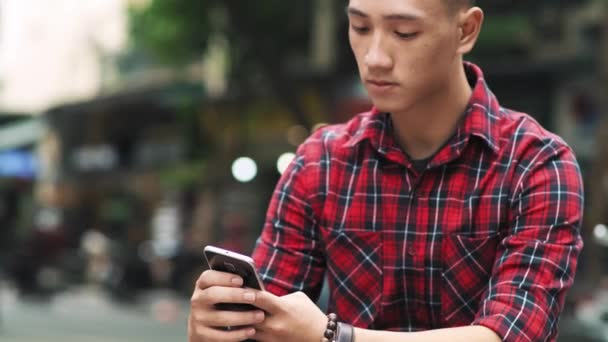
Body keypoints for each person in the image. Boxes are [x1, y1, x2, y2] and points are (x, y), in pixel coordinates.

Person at [189, 0, 584, 341]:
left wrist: (334, 337)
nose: (374, 55)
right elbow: (269, 320)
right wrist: (217, 327)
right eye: (360, 27)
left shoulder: (536, 165)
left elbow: (513, 334)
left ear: (465, 30)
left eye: (405, 32)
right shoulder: (320, 163)